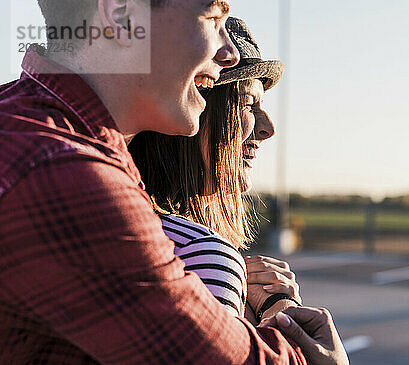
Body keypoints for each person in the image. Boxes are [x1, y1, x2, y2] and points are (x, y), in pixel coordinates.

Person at [0, 1, 349, 364]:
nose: (227, 52)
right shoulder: (63, 171)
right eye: (212, 18)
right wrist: (297, 337)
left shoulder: (26, 124)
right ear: (121, 16)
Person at [128, 17, 301, 325]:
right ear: (193, 104)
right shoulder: (200, 256)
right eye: (248, 105)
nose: (267, 128)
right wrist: (281, 318)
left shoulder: (120, 224)